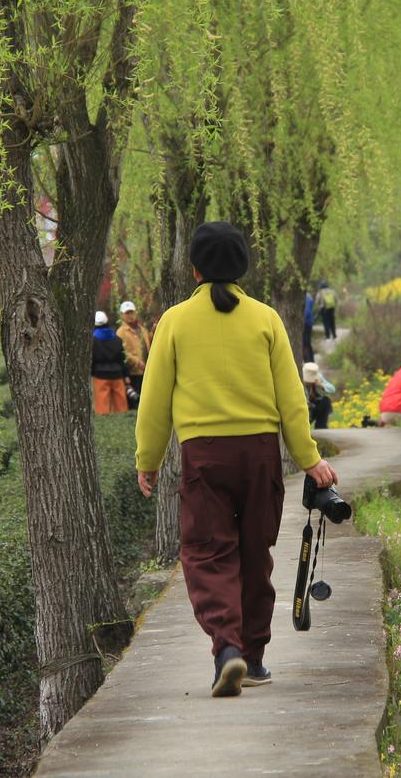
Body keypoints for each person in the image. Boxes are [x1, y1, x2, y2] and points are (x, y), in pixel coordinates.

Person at [135, 221, 339, 698]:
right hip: (261, 455)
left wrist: (148, 457)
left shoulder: (175, 321)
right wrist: (309, 459)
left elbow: (155, 399)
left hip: (203, 455)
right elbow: (291, 398)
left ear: (194, 269)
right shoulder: (266, 319)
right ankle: (255, 658)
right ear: (244, 267)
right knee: (254, 555)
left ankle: (226, 649)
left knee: (208, 552)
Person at [91, 310, 130, 414]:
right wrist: (126, 374)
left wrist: (92, 372)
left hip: (100, 375)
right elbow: (122, 358)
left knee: (102, 407)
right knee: (121, 407)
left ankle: (105, 426)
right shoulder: (117, 339)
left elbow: (93, 359)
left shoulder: (93, 340)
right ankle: (122, 423)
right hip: (117, 374)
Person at [116, 300, 152, 408]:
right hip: (132, 372)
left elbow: (148, 345)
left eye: (131, 312)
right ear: (122, 315)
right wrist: (137, 361)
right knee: (134, 401)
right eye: (127, 313)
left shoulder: (143, 329)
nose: (130, 316)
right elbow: (122, 352)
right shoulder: (121, 332)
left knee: (146, 400)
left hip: (146, 370)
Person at [302, 361, 336, 430]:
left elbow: (332, 389)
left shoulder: (318, 377)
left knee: (325, 401)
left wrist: (321, 385)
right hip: (305, 407)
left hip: (316, 405)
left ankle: (321, 428)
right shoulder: (299, 378)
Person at [302, 291, 315, 363]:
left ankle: (308, 362)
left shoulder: (306, 297)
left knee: (305, 343)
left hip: (305, 323)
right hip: (309, 322)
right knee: (307, 343)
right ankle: (311, 361)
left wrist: (302, 321)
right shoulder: (309, 296)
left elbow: (307, 312)